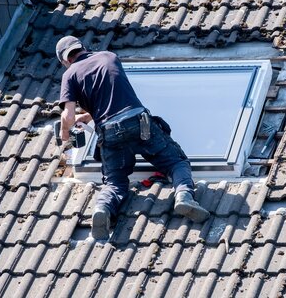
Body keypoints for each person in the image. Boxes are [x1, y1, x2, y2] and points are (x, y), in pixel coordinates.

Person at [56, 36, 210, 240]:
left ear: (64, 60)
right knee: (176, 162)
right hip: (139, 122)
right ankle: (183, 195)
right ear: (83, 48)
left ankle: (102, 208)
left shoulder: (69, 75)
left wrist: (64, 134)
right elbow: (114, 96)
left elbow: (67, 116)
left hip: (110, 132)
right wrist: (88, 115)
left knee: (114, 183)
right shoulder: (109, 57)